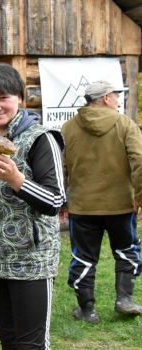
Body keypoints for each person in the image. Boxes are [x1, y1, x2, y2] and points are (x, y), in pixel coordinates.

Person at [0, 62, 65, 349]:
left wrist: (17, 180)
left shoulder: (41, 139)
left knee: (31, 344)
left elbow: (55, 201)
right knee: (8, 340)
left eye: (3, 97)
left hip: (30, 261)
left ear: (19, 97)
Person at [62, 80, 142, 323]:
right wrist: (140, 197)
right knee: (126, 250)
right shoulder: (125, 124)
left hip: (82, 206)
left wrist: (63, 200)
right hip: (120, 205)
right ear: (106, 98)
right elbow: (139, 160)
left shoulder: (67, 127)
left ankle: (87, 310)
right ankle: (124, 300)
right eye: (117, 95)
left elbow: (61, 167)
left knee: (83, 256)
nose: (119, 100)